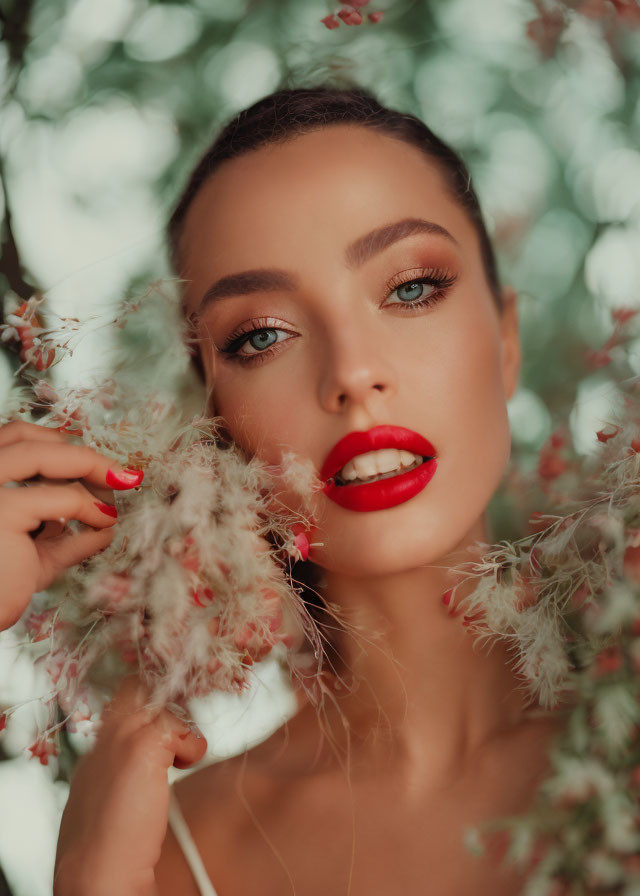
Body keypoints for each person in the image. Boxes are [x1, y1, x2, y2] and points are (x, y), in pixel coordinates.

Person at [1, 84, 568, 895]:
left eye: (410, 288)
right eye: (262, 335)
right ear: (217, 419)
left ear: (506, 339)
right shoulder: (166, 851)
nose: (351, 373)